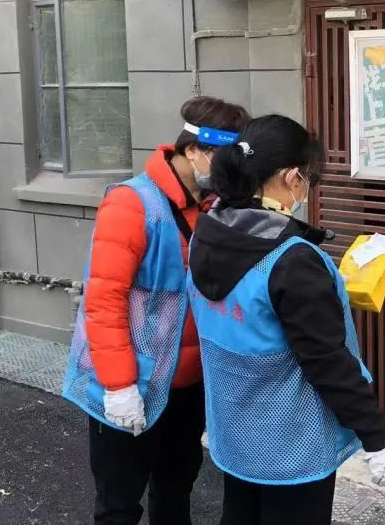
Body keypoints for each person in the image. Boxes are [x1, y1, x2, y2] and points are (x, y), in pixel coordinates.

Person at [187, 114, 385, 525]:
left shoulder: (211, 227)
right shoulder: (293, 261)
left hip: (235, 431)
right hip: (290, 442)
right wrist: (378, 437)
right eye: (308, 178)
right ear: (291, 177)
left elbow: (254, 304)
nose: (307, 189)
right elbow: (327, 361)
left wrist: (322, 291)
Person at [62, 96, 251, 525]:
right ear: (193, 149)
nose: (229, 173)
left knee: (176, 489)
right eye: (223, 160)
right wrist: (119, 385)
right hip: (133, 380)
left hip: (189, 386)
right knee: (119, 504)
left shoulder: (216, 206)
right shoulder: (132, 203)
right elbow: (104, 300)